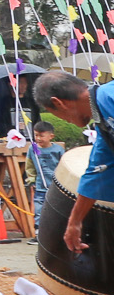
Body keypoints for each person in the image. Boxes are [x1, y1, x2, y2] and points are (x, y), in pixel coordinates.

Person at [34, 71, 113, 254]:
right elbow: (96, 172)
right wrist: (75, 221)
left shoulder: (109, 97)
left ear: (58, 103)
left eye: (58, 115)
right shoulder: (103, 122)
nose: (66, 121)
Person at [30, 120, 63, 217]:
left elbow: (62, 166)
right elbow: (30, 165)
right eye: (36, 135)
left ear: (51, 136)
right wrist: (31, 180)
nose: (38, 138)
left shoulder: (58, 149)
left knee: (55, 208)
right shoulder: (34, 148)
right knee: (39, 208)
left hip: (55, 185)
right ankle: (38, 227)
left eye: (41, 136)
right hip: (40, 185)